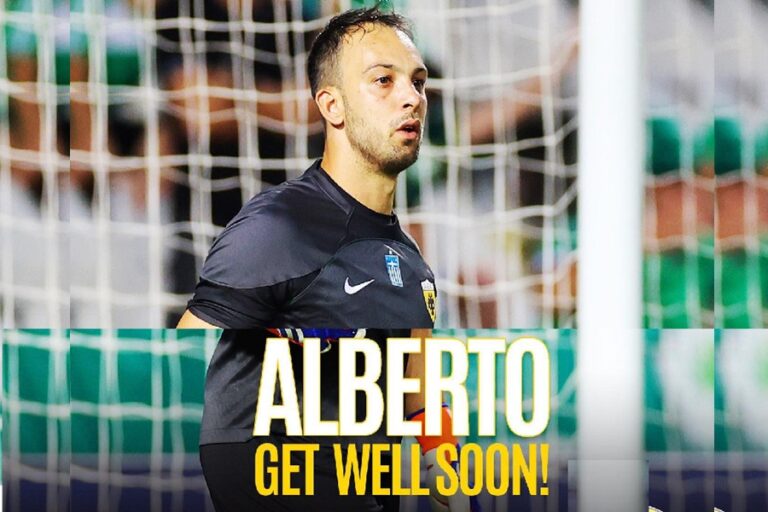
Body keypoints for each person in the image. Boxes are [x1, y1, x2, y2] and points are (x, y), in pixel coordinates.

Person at [178, 5, 475, 511]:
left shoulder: (411, 268)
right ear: (332, 106)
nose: (411, 97)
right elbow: (182, 366)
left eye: (418, 82)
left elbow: (421, 401)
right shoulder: (277, 228)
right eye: (383, 80)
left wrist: (449, 475)